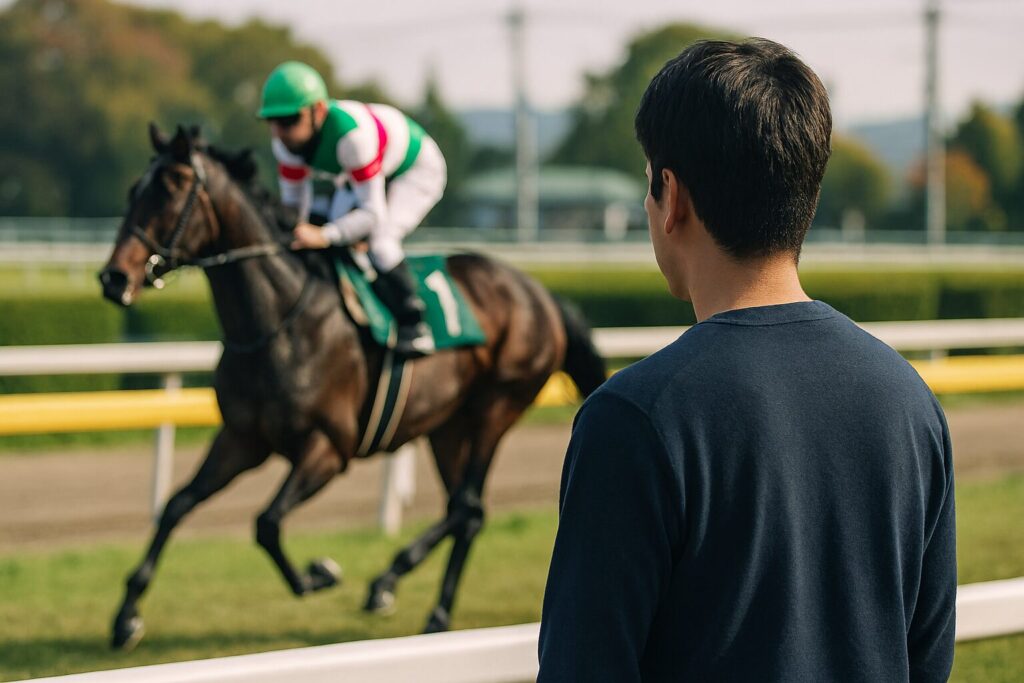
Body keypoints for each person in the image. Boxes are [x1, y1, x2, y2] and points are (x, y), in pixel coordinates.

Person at [537, 38, 956, 682]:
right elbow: (925, 660)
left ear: (670, 194)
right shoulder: (908, 398)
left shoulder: (633, 416)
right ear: (806, 192)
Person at [258, 61, 447, 357]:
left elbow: (372, 214)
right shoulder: (285, 145)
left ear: (318, 111)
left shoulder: (352, 139)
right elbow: (294, 209)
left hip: (414, 170)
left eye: (289, 120)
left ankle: (415, 323)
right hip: (366, 173)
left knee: (379, 241)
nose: (281, 132)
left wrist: (325, 236)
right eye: (273, 121)